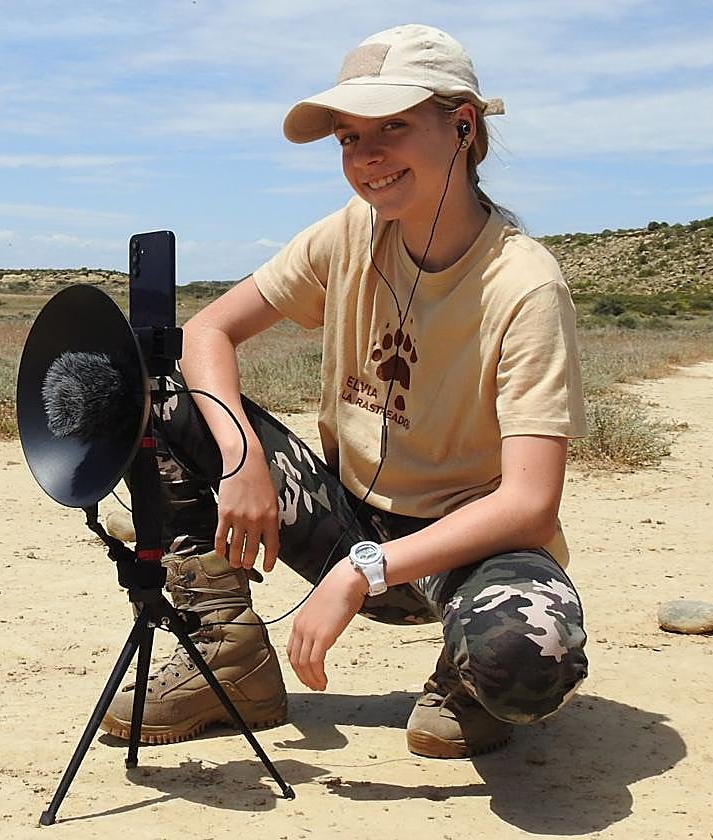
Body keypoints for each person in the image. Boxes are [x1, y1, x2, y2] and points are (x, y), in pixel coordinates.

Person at [99, 23, 589, 759]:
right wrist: (239, 460)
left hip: (464, 548)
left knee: (530, 657)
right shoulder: (349, 235)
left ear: (462, 127)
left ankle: (468, 678)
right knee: (159, 397)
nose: (368, 158)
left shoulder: (523, 286)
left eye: (393, 126)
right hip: (347, 519)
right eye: (350, 138)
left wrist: (367, 571)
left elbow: (527, 503)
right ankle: (230, 658)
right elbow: (209, 332)